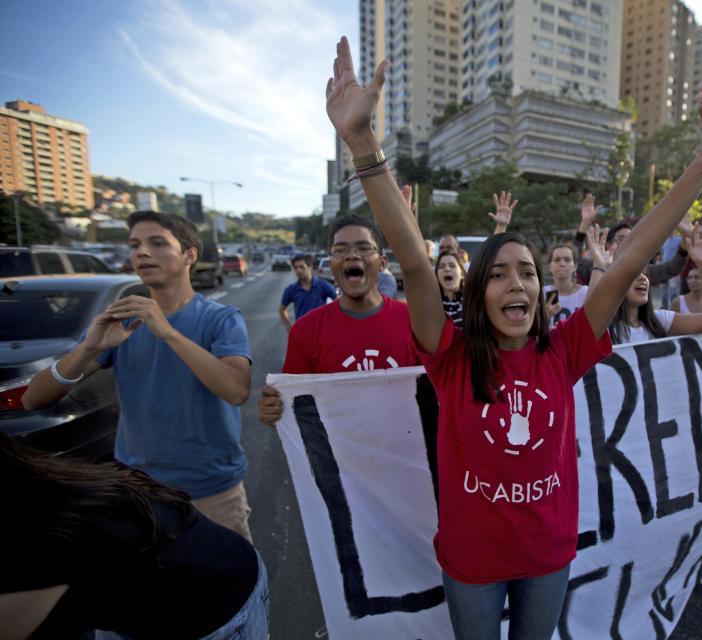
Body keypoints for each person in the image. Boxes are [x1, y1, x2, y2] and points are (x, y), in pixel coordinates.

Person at [324, 35, 702, 638]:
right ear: (481, 292)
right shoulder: (449, 356)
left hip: (548, 557)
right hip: (472, 563)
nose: (519, 283)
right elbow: (410, 258)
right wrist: (362, 143)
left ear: (541, 293)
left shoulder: (566, 349)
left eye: (530, 273)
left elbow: (628, 259)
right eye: (502, 273)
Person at [22, 211, 254, 540]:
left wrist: (167, 332)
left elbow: (236, 390)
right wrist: (89, 347)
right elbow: (34, 398)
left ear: (190, 254)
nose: (142, 252)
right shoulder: (123, 321)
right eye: (135, 245)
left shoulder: (221, 319)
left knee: (227, 586)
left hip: (211, 491)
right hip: (140, 491)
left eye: (157, 243)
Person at [0, 433, 268, 640]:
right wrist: (87, 357)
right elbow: (37, 396)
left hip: (214, 595)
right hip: (144, 584)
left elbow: (236, 389)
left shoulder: (39, 540)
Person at [258, 214, 420, 424]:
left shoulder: (415, 322)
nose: (352, 255)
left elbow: (442, 394)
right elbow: (296, 408)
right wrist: (275, 410)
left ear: (382, 263)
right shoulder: (304, 331)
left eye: (363, 248)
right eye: (340, 250)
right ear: (330, 263)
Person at [605, 222, 702, 343]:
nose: (642, 278)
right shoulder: (601, 327)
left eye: (645, 272)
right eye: (633, 274)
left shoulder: (660, 321)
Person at [279, 253, 337, 331]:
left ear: (310, 267)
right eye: (296, 268)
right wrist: (288, 327)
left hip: (321, 332)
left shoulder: (323, 285)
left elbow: (339, 303)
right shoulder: (291, 289)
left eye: (301, 267)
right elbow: (282, 309)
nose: (298, 270)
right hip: (301, 334)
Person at [544, 244, 589, 327]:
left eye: (567, 260)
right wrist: (545, 316)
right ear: (549, 266)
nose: (562, 264)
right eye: (557, 260)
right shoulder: (542, 293)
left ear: (575, 266)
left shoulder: (586, 292)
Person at [436, 250, 466, 328]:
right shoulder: (431, 303)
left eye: (452, 265)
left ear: (462, 273)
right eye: (442, 266)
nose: (447, 269)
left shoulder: (472, 301)